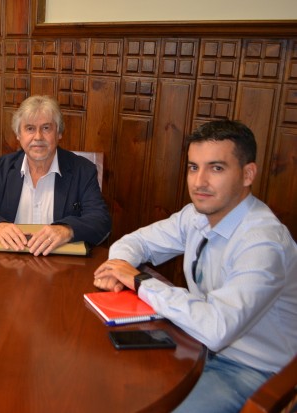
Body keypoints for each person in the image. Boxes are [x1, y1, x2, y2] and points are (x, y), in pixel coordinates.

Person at [93, 120, 297, 412]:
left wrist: (139, 281)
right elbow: (136, 242)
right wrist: (120, 266)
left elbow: (217, 327)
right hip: (194, 345)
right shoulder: (197, 215)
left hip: (250, 369)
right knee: (108, 382)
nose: (199, 182)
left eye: (216, 168)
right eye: (193, 167)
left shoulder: (264, 243)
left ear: (247, 174)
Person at [0, 95, 111, 256]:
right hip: (9, 261)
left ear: (59, 133)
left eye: (46, 128)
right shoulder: (2, 168)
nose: (38, 137)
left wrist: (67, 230)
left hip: (63, 267)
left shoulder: (83, 170)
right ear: (18, 135)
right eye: (30, 128)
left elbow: (100, 220)